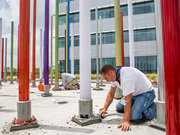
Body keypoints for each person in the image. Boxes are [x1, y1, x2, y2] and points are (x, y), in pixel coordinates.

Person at [99, 65, 156, 131]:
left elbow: (127, 100)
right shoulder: (114, 78)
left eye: (106, 78)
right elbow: (111, 94)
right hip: (134, 95)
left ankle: (154, 108)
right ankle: (139, 105)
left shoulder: (127, 76)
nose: (106, 81)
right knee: (119, 107)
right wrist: (104, 108)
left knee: (134, 117)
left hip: (146, 94)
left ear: (111, 72)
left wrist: (126, 121)